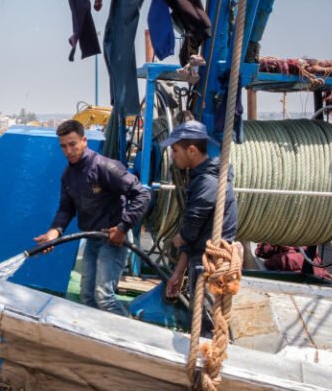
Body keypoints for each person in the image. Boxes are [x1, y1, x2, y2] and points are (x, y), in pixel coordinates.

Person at [35, 120, 151, 316]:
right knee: (87, 296)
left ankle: (129, 329)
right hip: (92, 239)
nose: (68, 151)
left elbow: (142, 194)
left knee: (104, 297)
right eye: (63, 146)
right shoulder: (68, 176)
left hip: (114, 239)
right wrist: (53, 232)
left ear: (84, 141)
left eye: (73, 144)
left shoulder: (105, 167)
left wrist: (123, 227)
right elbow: (66, 209)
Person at [162, 120, 238, 300]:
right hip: (202, 260)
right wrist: (179, 272)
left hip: (211, 264)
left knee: (207, 316)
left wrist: (181, 237)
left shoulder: (207, 182)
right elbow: (193, 239)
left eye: (175, 150)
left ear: (192, 151)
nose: (172, 156)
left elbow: (191, 228)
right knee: (201, 314)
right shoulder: (203, 178)